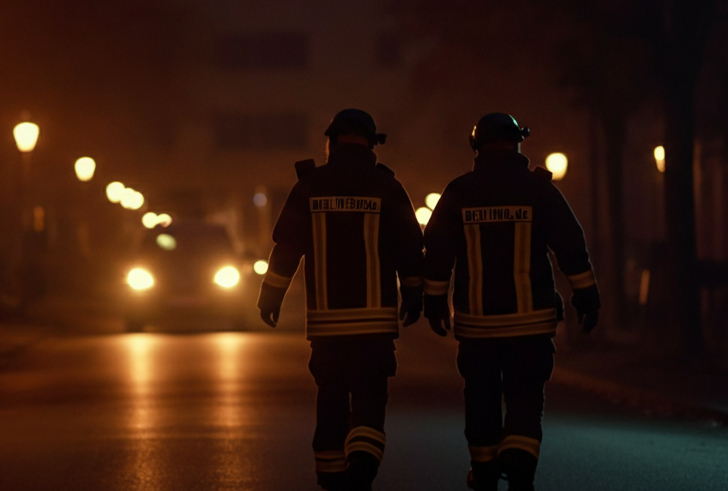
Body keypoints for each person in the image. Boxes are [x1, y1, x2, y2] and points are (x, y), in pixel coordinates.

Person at [423, 113, 600, 491]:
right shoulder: (539, 191)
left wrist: (434, 304)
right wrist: (586, 293)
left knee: (482, 400)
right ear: (518, 143)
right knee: (525, 397)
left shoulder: (458, 191)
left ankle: (484, 473)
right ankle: (520, 465)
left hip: (477, 325)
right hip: (531, 323)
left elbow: (437, 255)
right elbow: (571, 244)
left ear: (476, 147)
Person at [257, 109, 425, 491]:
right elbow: (411, 247)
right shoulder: (387, 187)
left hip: (327, 326)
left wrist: (270, 297)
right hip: (376, 324)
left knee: (331, 399)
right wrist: (415, 294)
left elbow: (286, 249)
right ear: (371, 143)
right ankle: (363, 461)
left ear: (330, 142)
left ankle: (332, 479)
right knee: (369, 397)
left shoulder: (311, 186)